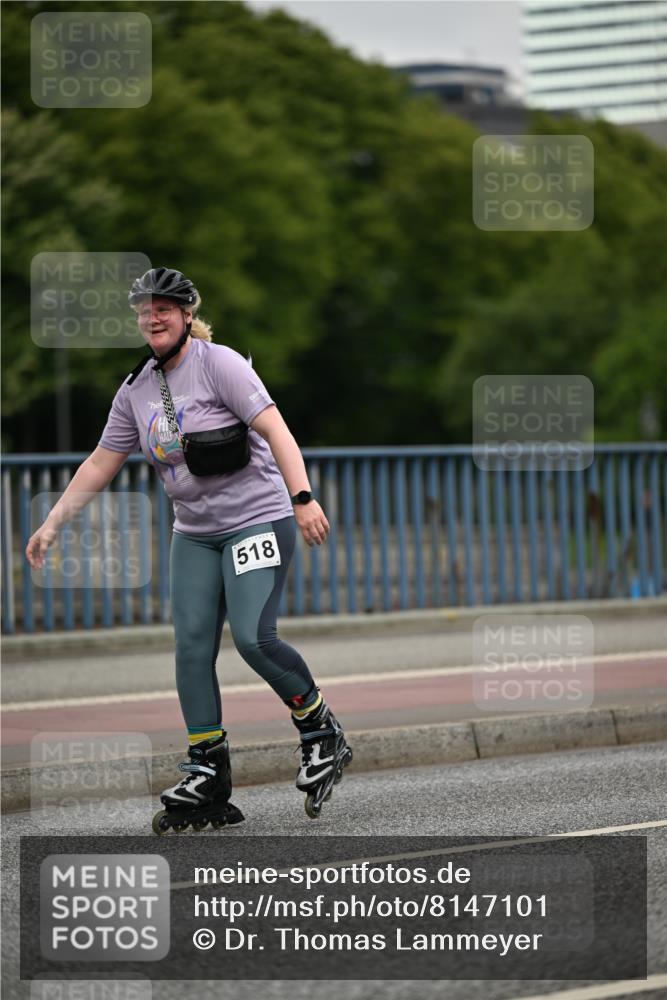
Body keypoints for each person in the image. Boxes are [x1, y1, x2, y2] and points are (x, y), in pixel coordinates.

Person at [26, 266, 352, 831]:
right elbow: (102, 462)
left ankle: (321, 731)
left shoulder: (219, 363)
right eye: (145, 310)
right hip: (195, 533)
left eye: (165, 308)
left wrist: (302, 498)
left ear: (185, 315)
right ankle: (207, 770)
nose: (153, 317)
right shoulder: (134, 391)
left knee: (254, 638)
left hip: (258, 519)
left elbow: (276, 430)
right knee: (191, 646)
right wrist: (53, 523)